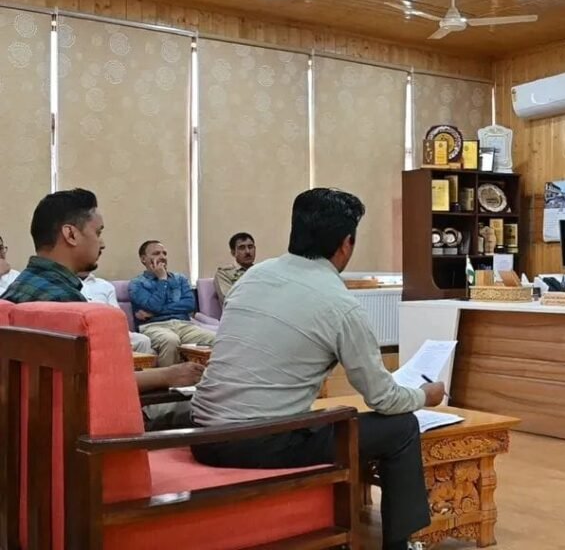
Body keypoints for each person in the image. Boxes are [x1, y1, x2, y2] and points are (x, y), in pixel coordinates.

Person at [191, 188, 444, 550]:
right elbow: (383, 398)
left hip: (201, 435)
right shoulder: (340, 304)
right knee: (401, 427)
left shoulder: (254, 276)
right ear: (346, 244)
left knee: (325, 416)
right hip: (260, 442)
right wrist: (424, 395)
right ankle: (398, 546)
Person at [1, 189, 204, 430]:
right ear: (71, 234)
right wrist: (168, 376)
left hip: (35, 426)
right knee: (200, 410)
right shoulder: (64, 304)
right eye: (98, 233)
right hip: (86, 434)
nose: (103, 243)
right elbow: (99, 383)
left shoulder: (19, 288)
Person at [129, 241, 215, 367]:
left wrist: (155, 312)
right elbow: (154, 306)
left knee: (216, 339)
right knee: (170, 340)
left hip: (184, 325)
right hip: (154, 326)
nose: (162, 257)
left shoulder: (180, 279)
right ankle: (167, 379)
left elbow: (189, 304)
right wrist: (162, 279)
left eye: (164, 253)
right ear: (143, 259)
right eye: (156, 253)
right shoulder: (137, 283)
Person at [79, 271, 154, 354]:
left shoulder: (104, 285)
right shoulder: (68, 286)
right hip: (84, 333)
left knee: (143, 340)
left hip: (110, 330)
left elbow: (117, 313)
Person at [214, 232, 255, 303]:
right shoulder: (224, 273)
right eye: (242, 248)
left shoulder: (260, 271)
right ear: (233, 253)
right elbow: (229, 301)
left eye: (250, 247)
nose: (248, 251)